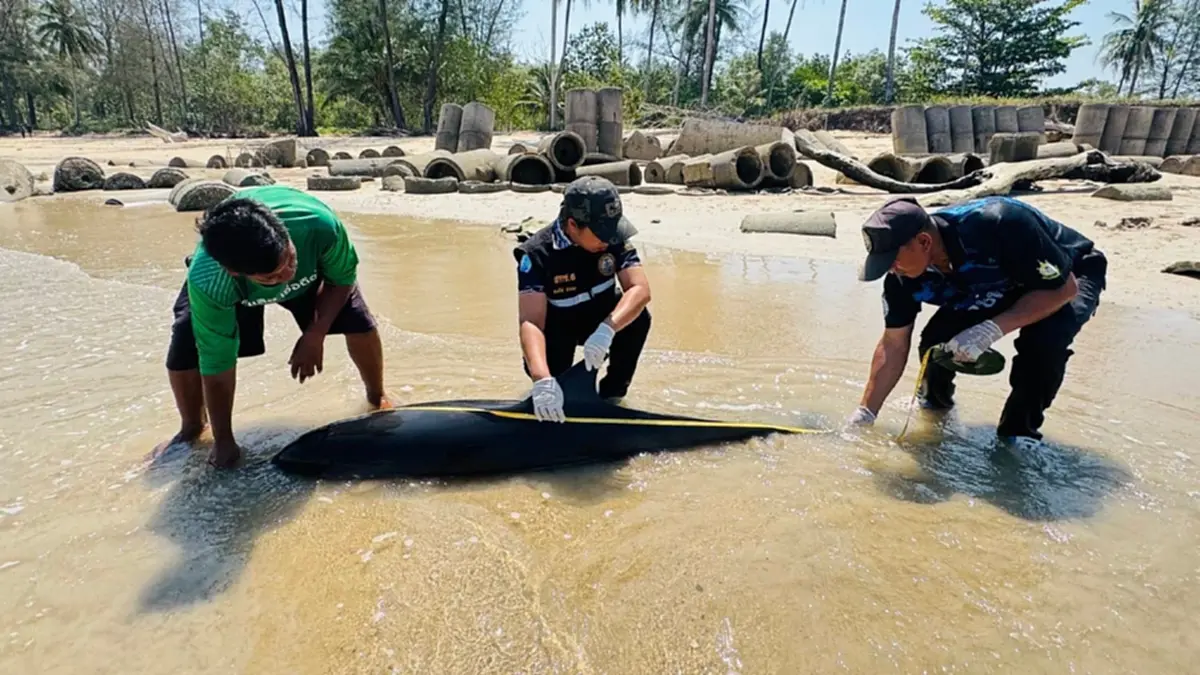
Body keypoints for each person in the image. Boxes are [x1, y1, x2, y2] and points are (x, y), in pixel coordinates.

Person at [846, 195, 1107, 450]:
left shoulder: (999, 224)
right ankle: (935, 406)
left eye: (892, 260)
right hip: (989, 283)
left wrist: (990, 330)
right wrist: (866, 413)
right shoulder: (901, 278)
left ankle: (1019, 435)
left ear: (924, 241)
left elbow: (1064, 289)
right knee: (936, 344)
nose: (891, 270)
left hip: (1066, 273)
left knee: (1044, 342)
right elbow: (893, 343)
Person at [157, 184, 391, 468]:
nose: (286, 277)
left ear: (284, 234)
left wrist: (315, 334)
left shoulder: (319, 226)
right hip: (239, 291)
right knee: (185, 339)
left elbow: (341, 280)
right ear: (233, 271)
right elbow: (216, 365)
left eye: (289, 261)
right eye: (272, 277)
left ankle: (377, 396)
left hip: (311, 272)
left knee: (359, 321)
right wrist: (224, 441)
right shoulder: (210, 280)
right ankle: (192, 427)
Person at [513, 175, 653, 422]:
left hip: (600, 321)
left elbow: (640, 289)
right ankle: (551, 388)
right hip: (558, 329)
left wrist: (608, 330)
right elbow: (531, 322)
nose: (608, 240)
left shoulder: (613, 238)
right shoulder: (536, 253)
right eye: (601, 233)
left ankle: (612, 396)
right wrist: (542, 379)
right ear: (573, 225)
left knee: (639, 318)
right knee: (559, 391)